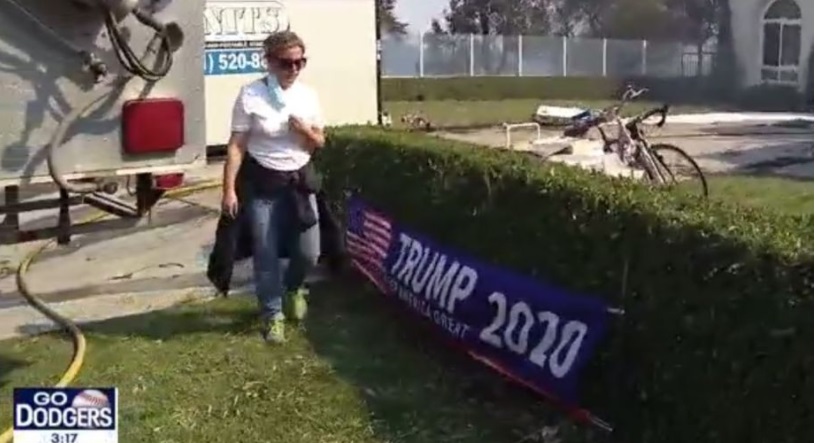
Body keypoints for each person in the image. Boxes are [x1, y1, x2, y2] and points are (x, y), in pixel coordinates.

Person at [221, 31, 325, 344]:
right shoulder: (251, 95)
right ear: (269, 62)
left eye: (300, 62)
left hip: (299, 183)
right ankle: (272, 314)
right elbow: (237, 145)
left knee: (309, 252)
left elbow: (319, 141)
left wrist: (304, 129)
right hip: (262, 185)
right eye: (286, 62)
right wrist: (229, 189)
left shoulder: (308, 95)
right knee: (265, 253)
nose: (294, 68)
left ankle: (294, 287)